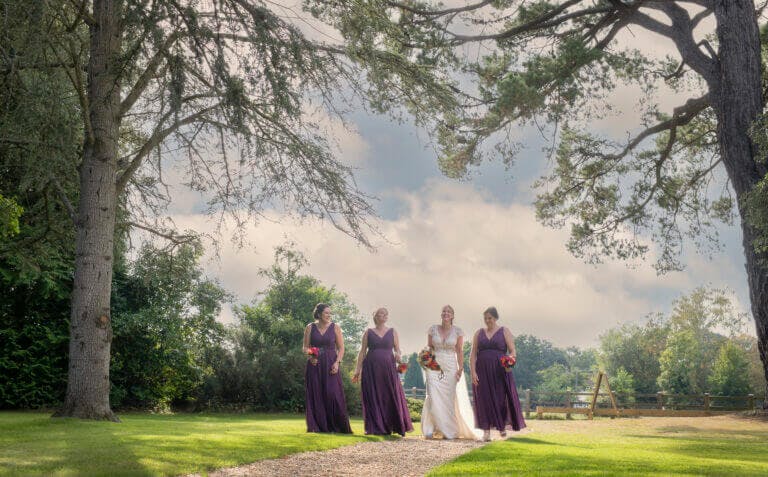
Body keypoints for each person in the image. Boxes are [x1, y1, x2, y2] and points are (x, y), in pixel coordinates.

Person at [352, 307, 413, 436]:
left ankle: (391, 426)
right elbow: (362, 352)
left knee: (389, 395)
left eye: (386, 314)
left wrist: (398, 355)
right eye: (381, 314)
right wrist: (357, 370)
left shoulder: (392, 332)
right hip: (371, 369)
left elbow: (398, 349)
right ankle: (375, 427)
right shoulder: (368, 332)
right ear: (375, 317)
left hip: (388, 369)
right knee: (373, 396)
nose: (384, 316)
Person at [421, 305, 479, 439]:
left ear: (452, 316)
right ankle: (430, 428)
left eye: (449, 312)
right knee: (433, 394)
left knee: (448, 398)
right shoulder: (433, 329)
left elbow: (459, 350)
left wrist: (460, 368)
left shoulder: (458, 331)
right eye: (444, 311)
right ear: (441, 314)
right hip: (434, 366)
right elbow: (429, 347)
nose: (446, 313)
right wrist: (425, 360)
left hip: (450, 367)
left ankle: (448, 430)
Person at [470, 306, 526, 441]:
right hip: (482, 371)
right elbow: (472, 355)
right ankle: (486, 432)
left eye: (490, 318)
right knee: (484, 400)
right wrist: (473, 372)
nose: (487, 321)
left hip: (500, 371)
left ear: (495, 318)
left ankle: (501, 427)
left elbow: (513, 351)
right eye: (485, 318)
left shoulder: (504, 331)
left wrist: (510, 362)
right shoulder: (478, 333)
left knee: (500, 399)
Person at [303, 303, 352, 433]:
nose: (329, 315)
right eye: (326, 313)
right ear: (319, 314)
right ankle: (317, 427)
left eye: (330, 313)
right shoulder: (310, 327)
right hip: (315, 364)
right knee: (316, 395)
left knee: (333, 394)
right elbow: (305, 347)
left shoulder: (335, 327)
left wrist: (337, 363)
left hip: (331, 363)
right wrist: (311, 355)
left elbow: (341, 348)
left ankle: (337, 427)